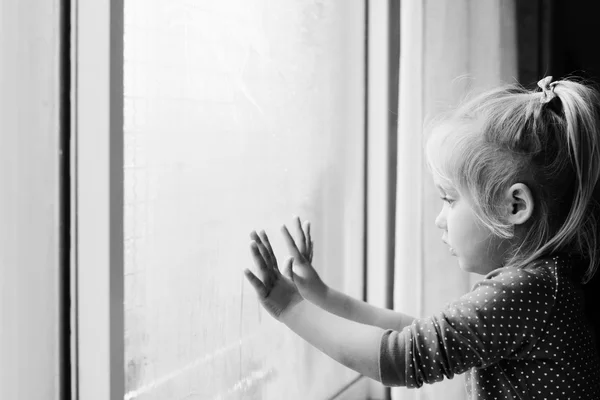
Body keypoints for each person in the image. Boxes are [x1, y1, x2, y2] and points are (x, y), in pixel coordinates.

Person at [243, 76, 600, 399]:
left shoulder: (527, 290)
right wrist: (322, 297)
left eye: (450, 199)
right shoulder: (545, 282)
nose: (439, 220)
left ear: (514, 205)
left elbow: (403, 357)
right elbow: (416, 336)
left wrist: (291, 309)